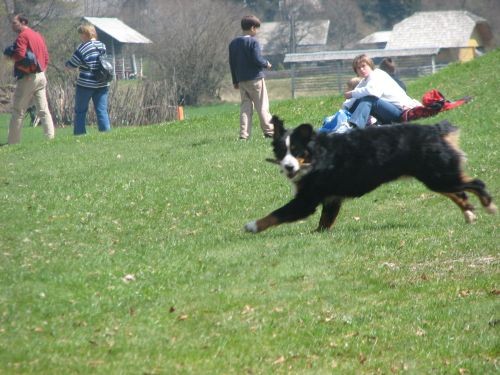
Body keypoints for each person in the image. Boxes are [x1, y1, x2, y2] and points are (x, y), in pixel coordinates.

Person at [4, 14, 54, 144]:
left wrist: (11, 56)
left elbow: (20, 54)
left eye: (15, 23)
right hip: (41, 75)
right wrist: (41, 70)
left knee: (18, 111)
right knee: (43, 110)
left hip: (28, 78)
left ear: (23, 22)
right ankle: (50, 138)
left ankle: (12, 143)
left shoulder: (23, 36)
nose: (12, 25)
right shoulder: (37, 35)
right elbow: (46, 57)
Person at [345, 54, 420, 129]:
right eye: (358, 68)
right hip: (388, 114)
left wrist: (352, 93)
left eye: (364, 66)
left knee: (370, 99)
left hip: (401, 113)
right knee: (357, 101)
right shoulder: (364, 81)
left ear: (370, 65)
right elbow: (351, 101)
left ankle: (356, 127)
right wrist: (344, 109)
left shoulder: (377, 74)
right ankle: (347, 124)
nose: (361, 69)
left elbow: (373, 91)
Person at [229, 15, 273, 140]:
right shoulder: (253, 42)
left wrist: (235, 81)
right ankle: (269, 131)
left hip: (242, 80)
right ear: (252, 28)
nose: (257, 31)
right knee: (262, 106)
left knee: (245, 108)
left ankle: (244, 135)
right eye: (257, 29)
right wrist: (266, 63)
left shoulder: (233, 44)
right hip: (256, 79)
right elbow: (257, 59)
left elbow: (232, 63)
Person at [65, 23, 111, 135]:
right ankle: (105, 132)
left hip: (86, 84)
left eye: (80, 34)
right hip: (102, 83)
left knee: (80, 110)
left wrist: (66, 65)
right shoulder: (102, 46)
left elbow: (72, 64)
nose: (80, 37)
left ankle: (80, 133)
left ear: (85, 34)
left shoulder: (83, 47)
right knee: (101, 110)